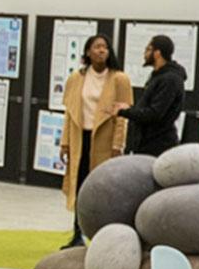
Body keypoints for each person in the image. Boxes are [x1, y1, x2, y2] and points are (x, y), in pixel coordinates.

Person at [59, 33, 133, 239]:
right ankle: (77, 233)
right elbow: (70, 113)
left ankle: (103, 235)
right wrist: (65, 143)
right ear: (88, 52)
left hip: (104, 140)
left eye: (105, 47)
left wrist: (118, 145)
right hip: (79, 138)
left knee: (101, 188)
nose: (101, 50)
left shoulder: (119, 78)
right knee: (79, 185)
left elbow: (122, 117)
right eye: (97, 47)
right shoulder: (77, 78)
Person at [117, 33, 187, 157]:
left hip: (158, 147)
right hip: (146, 144)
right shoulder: (157, 76)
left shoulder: (169, 79)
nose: (145, 53)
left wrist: (125, 111)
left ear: (157, 53)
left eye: (148, 49)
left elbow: (154, 113)